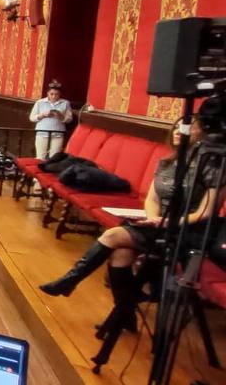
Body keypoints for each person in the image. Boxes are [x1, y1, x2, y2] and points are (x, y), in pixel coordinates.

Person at [39, 120, 217, 335]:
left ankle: (71, 281)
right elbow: (152, 199)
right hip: (159, 224)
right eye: (177, 127)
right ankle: (126, 314)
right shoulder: (168, 163)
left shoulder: (211, 168)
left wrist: (166, 223)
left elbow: (205, 213)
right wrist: (154, 218)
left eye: (187, 127)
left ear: (202, 133)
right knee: (120, 255)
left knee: (113, 235)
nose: (179, 131)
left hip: (190, 231)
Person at [30, 81, 73, 160]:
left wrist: (61, 117)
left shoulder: (65, 103)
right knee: (40, 156)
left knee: (54, 157)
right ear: (47, 93)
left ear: (60, 94)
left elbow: (69, 119)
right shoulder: (40, 102)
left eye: (56, 94)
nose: (54, 96)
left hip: (58, 132)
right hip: (42, 132)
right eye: (51, 94)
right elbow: (32, 118)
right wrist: (42, 115)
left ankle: (49, 171)